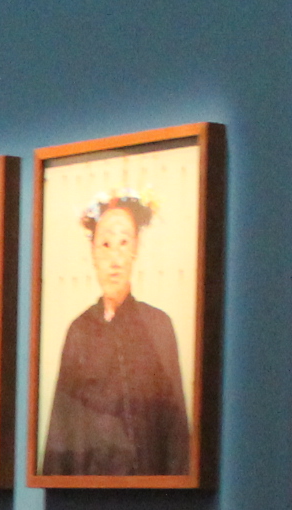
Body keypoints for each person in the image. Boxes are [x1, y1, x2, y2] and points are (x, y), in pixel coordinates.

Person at [38, 189, 190, 477]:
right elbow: (61, 426)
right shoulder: (79, 331)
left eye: (123, 243)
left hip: (148, 487)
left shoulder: (159, 326)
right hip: (89, 489)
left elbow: (176, 426)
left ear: (135, 250)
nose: (115, 258)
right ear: (93, 254)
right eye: (105, 245)